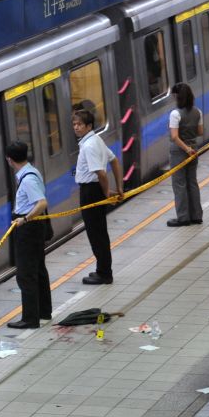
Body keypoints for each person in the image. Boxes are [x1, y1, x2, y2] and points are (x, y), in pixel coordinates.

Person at [73, 108, 123, 285]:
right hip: (94, 191)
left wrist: (106, 192)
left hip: (90, 192)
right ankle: (102, 269)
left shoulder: (89, 145)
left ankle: (104, 273)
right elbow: (114, 160)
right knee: (99, 233)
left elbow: (101, 174)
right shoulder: (96, 140)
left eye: (80, 124)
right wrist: (119, 187)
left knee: (96, 235)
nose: (76, 127)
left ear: (89, 126)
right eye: (74, 124)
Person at [6, 142, 51, 329]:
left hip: (28, 229)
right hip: (33, 228)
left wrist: (25, 219)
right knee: (38, 268)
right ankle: (44, 311)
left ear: (10, 159)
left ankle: (30, 318)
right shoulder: (31, 172)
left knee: (26, 273)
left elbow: (41, 203)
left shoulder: (28, 179)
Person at [166, 83, 203, 227]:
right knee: (192, 182)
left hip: (179, 152)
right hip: (194, 149)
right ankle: (196, 216)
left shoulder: (175, 114)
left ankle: (183, 217)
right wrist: (190, 145)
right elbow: (200, 132)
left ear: (177, 96)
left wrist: (186, 149)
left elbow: (174, 136)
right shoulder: (197, 112)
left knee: (179, 184)